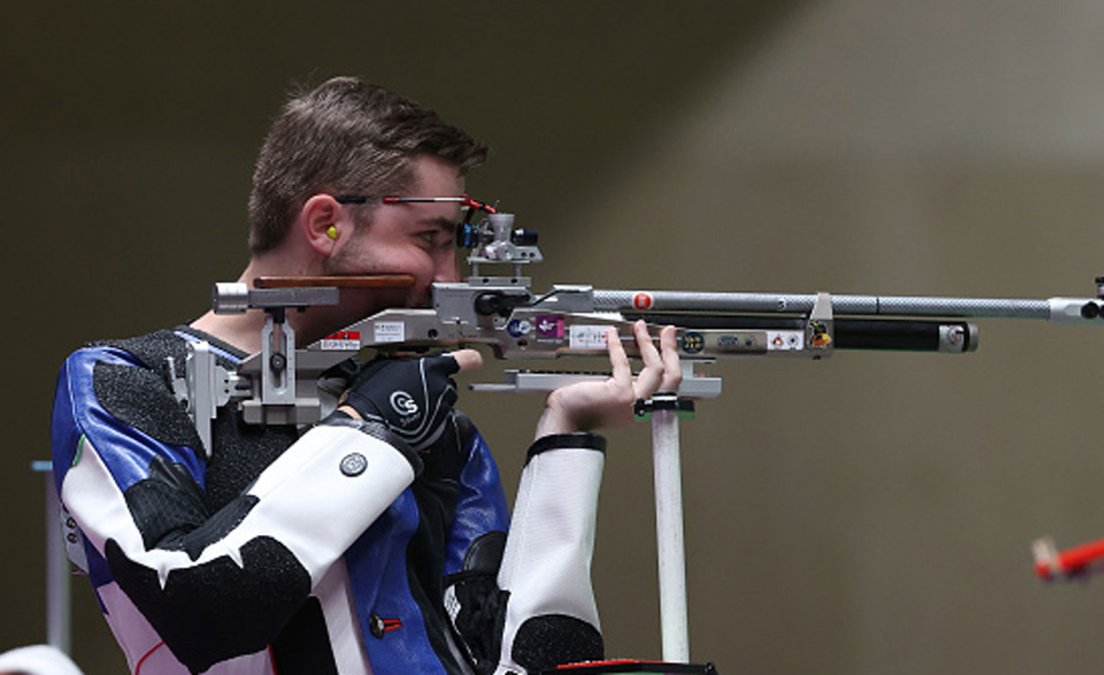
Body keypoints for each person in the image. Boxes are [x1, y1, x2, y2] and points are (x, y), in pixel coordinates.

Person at [50, 76, 680, 675]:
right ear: (326, 224)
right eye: (430, 238)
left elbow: (529, 659)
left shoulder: (429, 426)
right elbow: (200, 609)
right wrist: (372, 430)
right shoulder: (126, 382)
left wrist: (565, 440)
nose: (451, 278)